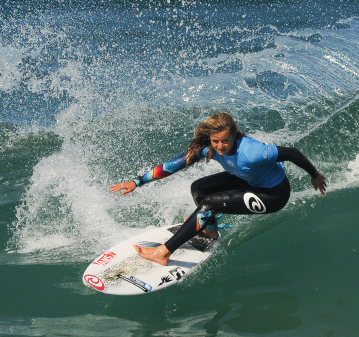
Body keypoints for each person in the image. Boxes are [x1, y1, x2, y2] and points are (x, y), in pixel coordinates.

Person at [110, 112, 327, 266]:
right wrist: (138, 182)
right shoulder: (209, 148)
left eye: (225, 141)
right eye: (216, 141)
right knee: (199, 188)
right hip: (248, 180)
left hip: (273, 194)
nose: (220, 147)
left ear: (235, 135)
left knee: (210, 204)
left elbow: (292, 153)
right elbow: (173, 165)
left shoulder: (253, 152)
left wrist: (314, 175)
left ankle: (164, 252)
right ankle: (210, 230)